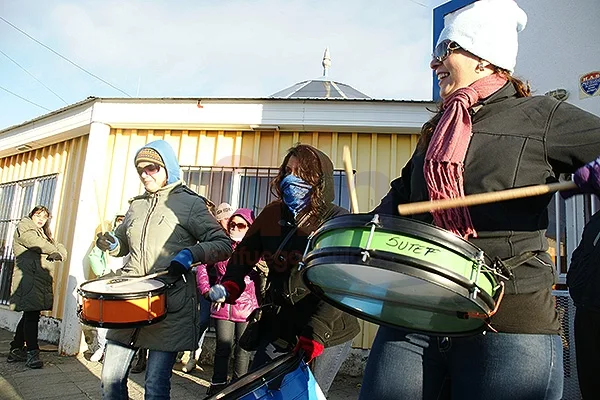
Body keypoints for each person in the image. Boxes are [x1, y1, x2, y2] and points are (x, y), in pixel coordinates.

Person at [358, 1, 600, 399]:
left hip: (508, 319)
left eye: (445, 52)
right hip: (417, 308)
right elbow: (400, 199)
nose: (434, 64)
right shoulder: (439, 127)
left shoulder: (541, 115)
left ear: (485, 61)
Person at [211, 144, 361, 396]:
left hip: (327, 328)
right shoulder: (272, 214)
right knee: (258, 391)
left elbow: (341, 282)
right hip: (279, 325)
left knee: (300, 394)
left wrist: (317, 332)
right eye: (288, 171)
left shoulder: (336, 221)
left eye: (301, 174)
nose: (291, 179)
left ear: (318, 181)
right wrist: (231, 284)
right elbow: (243, 255)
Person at [96, 139, 232, 399]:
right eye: (141, 169)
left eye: (152, 168)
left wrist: (191, 254)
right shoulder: (136, 205)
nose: (145, 174)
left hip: (169, 305)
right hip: (129, 301)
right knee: (110, 381)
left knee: (155, 386)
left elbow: (223, 244)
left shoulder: (190, 204)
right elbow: (122, 243)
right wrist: (113, 244)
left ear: (168, 168)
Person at [197, 208, 260, 395]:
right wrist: (207, 291)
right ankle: (217, 385)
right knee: (222, 347)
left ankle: (239, 386)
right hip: (222, 304)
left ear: (249, 227)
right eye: (232, 224)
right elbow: (202, 265)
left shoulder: (257, 249)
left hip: (247, 306)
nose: (235, 228)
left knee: (243, 349)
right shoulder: (223, 246)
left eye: (241, 225)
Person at [8, 205, 67, 369]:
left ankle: (15, 349)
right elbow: (34, 243)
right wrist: (54, 250)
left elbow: (60, 248)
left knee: (30, 313)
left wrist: (58, 251)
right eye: (38, 215)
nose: (41, 219)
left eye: (45, 217)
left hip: (38, 279)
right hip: (28, 279)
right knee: (32, 316)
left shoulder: (44, 235)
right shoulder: (25, 227)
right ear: (31, 215)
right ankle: (32, 353)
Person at [567, 210, 600, 399]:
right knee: (590, 384)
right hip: (587, 310)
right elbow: (580, 253)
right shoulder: (596, 219)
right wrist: (575, 282)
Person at [87, 213, 127, 363]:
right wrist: (102, 272)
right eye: (119, 221)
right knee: (104, 316)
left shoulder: (132, 237)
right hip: (108, 280)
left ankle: (115, 349)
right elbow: (94, 256)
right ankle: (101, 347)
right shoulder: (108, 237)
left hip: (126, 281)